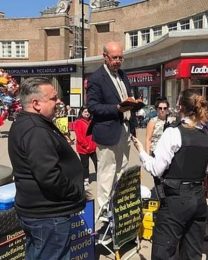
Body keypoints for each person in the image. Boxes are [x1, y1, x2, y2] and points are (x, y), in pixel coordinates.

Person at [131, 89, 208, 260]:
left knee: (164, 251)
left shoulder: (173, 132)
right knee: (192, 252)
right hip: (198, 198)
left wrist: (142, 152)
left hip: (175, 199)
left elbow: (156, 169)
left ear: (180, 107)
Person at [8, 77, 85, 259]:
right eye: (53, 98)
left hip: (41, 213)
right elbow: (49, 176)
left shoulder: (30, 123)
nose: (58, 102)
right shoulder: (35, 130)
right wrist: (75, 192)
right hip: (48, 216)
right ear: (36, 103)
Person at [87, 41, 136, 212]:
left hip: (125, 129)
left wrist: (134, 104)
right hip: (107, 131)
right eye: (114, 58)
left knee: (122, 170)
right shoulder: (96, 78)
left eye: (120, 58)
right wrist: (117, 108)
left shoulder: (123, 75)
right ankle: (104, 214)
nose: (118, 61)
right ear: (105, 57)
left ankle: (117, 209)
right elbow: (93, 107)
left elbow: (127, 97)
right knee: (107, 173)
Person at [74, 105, 97, 199]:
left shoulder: (91, 121)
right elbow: (79, 136)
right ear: (81, 113)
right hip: (83, 149)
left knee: (97, 162)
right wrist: (86, 145)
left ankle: (99, 176)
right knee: (85, 165)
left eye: (88, 112)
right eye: (85, 112)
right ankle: (86, 180)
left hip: (93, 147)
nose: (87, 113)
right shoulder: (78, 122)